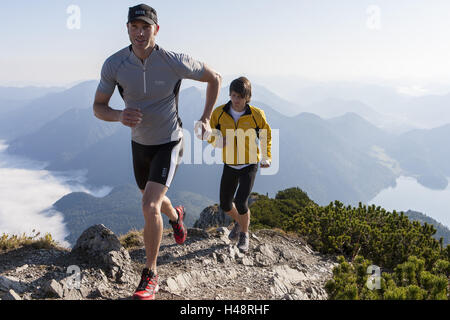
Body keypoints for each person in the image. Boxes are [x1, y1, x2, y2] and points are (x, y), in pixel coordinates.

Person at [93, 4, 221, 300]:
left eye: (145, 27)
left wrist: (205, 118)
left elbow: (214, 78)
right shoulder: (114, 65)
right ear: (127, 29)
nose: (139, 32)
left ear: (156, 29)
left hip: (170, 141)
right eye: (134, 26)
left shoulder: (173, 61)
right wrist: (118, 116)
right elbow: (98, 107)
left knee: (149, 205)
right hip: (140, 144)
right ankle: (176, 216)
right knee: (152, 199)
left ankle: (150, 275)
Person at [208, 77, 272, 253]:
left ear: (248, 97)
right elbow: (209, 131)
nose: (236, 100)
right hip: (230, 164)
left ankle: (244, 234)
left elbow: (266, 134)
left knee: (241, 202)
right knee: (225, 204)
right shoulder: (219, 113)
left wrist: (266, 157)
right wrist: (218, 141)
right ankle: (239, 221)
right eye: (234, 95)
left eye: (240, 97)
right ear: (230, 94)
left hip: (249, 164)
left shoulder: (256, 115)